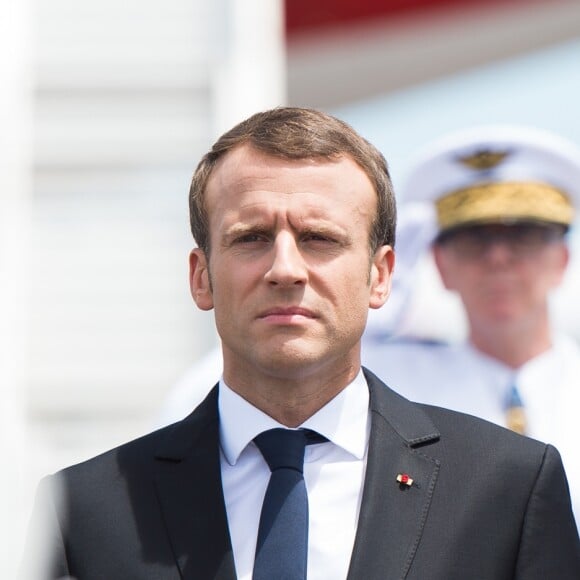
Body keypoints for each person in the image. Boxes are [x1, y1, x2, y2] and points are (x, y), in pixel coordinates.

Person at [25, 108, 579, 579]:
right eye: (251, 238)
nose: (285, 269)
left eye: (319, 239)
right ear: (201, 276)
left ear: (380, 275)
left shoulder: (507, 489)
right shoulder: (84, 511)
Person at [361, 125, 580, 522]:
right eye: (473, 240)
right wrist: (347, 337)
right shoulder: (393, 387)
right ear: (441, 266)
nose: (498, 259)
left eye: (523, 237)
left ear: (562, 260)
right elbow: (236, 393)